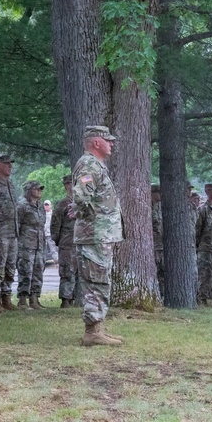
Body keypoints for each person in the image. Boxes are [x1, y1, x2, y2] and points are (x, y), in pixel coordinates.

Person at [73, 125, 125, 345]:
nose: (111, 143)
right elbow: (81, 195)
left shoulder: (95, 165)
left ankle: (97, 328)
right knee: (96, 282)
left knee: (99, 280)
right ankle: (93, 332)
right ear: (96, 142)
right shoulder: (89, 165)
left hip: (99, 234)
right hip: (95, 234)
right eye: (108, 140)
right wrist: (90, 217)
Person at [0, 154, 19, 311]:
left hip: (12, 232)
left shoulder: (11, 184)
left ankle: (6, 297)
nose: (10, 166)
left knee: (10, 266)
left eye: (11, 163)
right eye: (6, 163)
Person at [16, 180, 47, 309]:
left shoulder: (40, 206)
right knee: (25, 270)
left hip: (39, 243)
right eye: (36, 189)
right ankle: (23, 300)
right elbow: (17, 224)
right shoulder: (22, 205)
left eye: (40, 189)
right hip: (26, 244)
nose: (39, 191)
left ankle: (35, 299)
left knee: (38, 270)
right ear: (29, 190)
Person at [50, 174, 77, 307]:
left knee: (78, 271)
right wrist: (59, 240)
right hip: (67, 242)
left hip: (79, 242)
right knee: (67, 271)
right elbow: (55, 225)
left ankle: (75, 298)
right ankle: (66, 300)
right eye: (73, 183)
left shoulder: (81, 202)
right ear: (67, 186)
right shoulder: (63, 204)